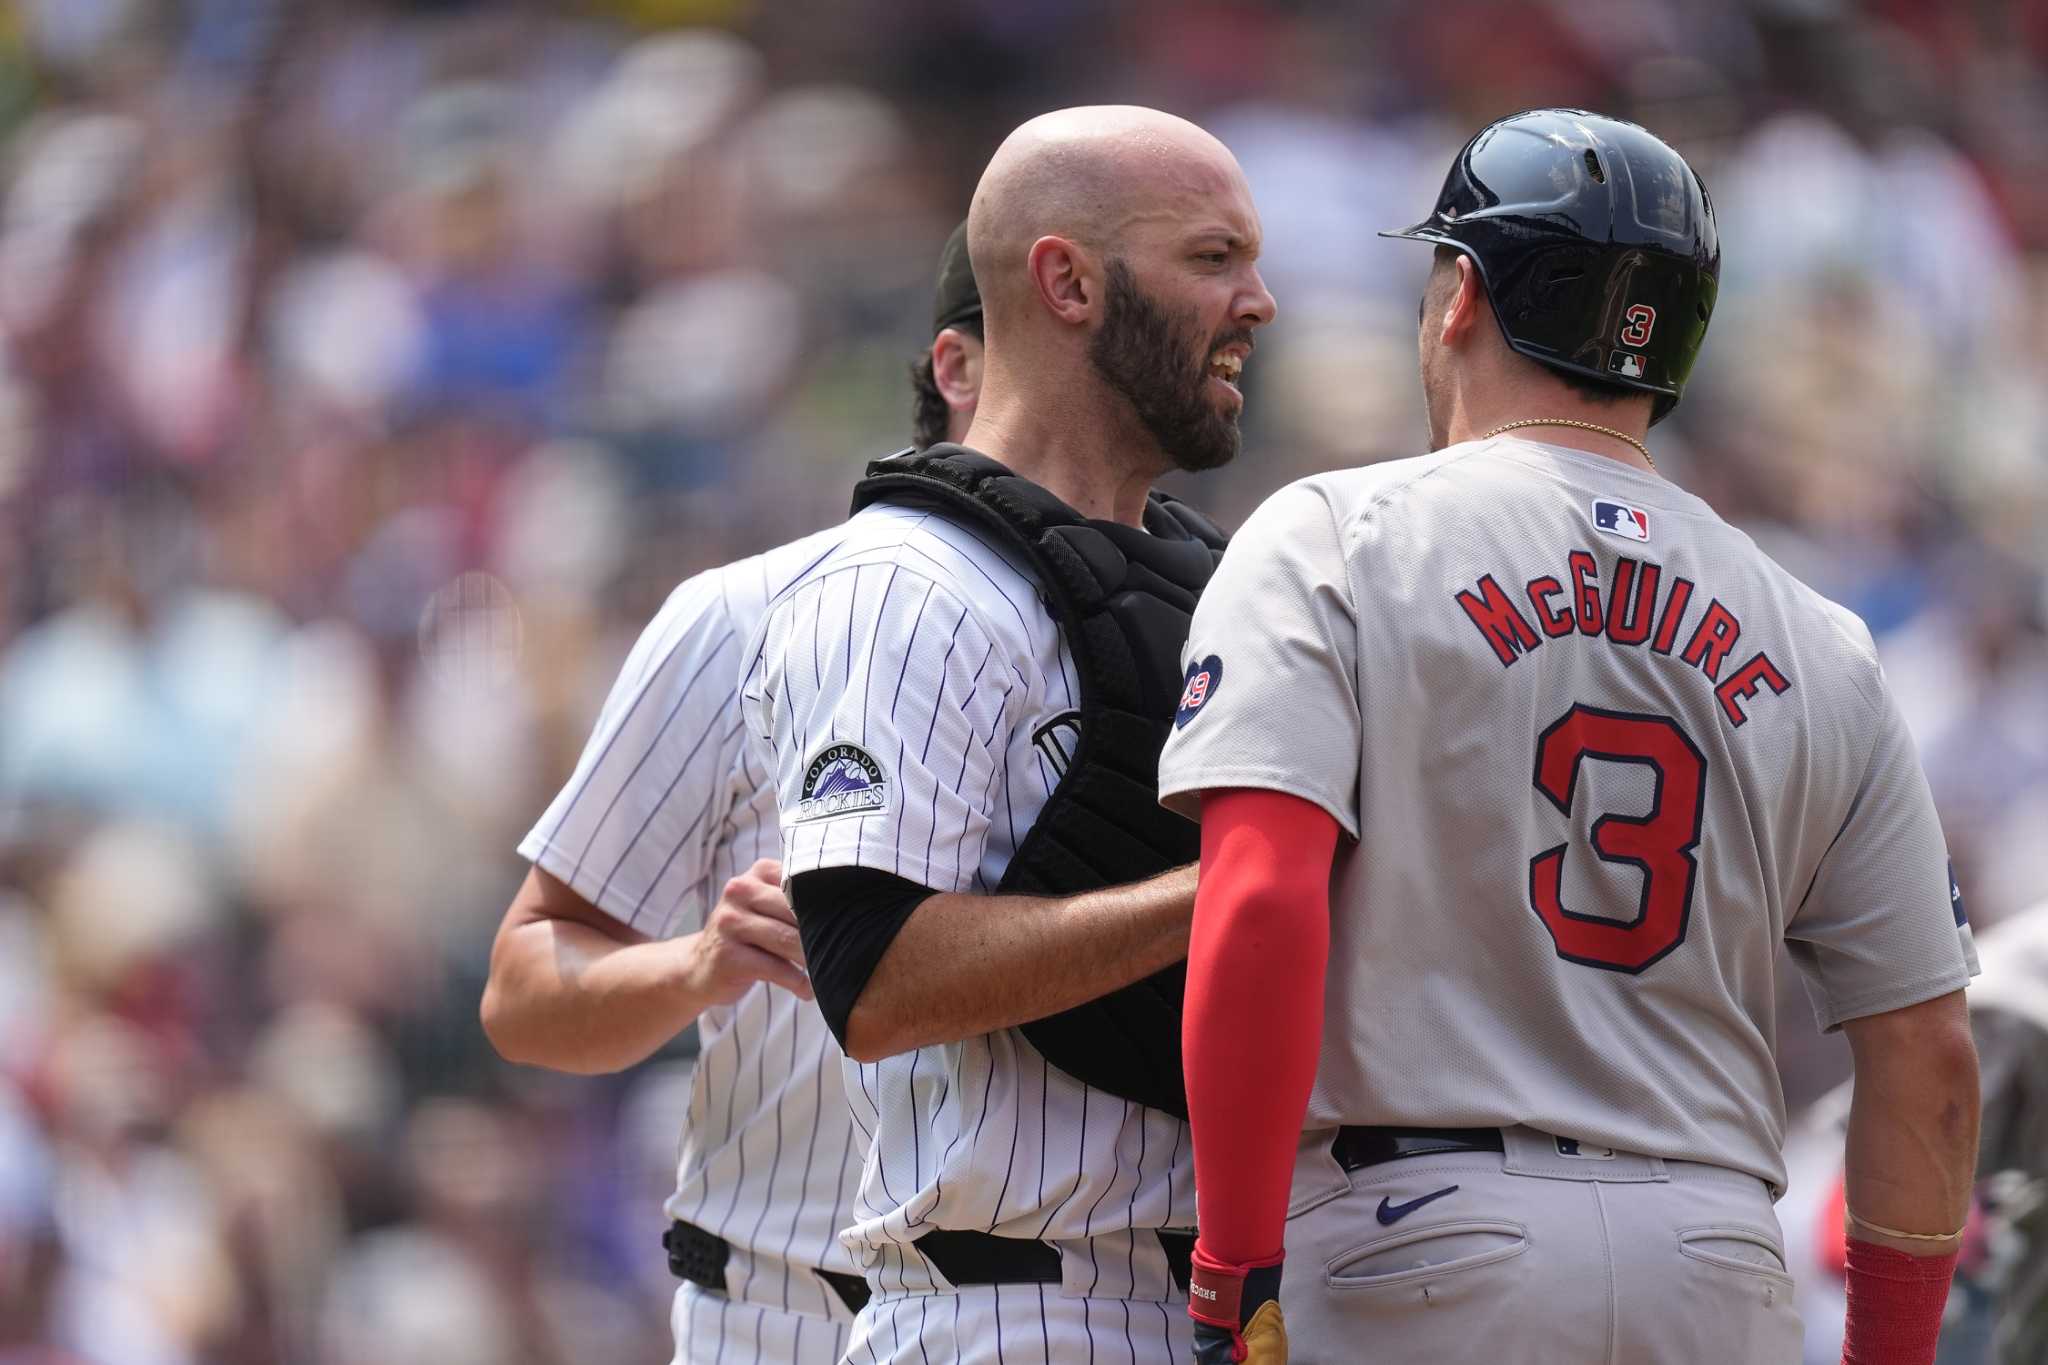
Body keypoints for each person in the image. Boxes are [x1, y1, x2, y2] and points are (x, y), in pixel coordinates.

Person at [1156, 108, 1981, 1365]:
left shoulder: (1336, 532)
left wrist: (1229, 1277)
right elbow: (1927, 1055)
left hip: (1417, 1244)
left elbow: (1261, 902)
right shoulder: (1821, 634)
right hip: (1716, 1260)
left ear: (1460, 297)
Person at [740, 105, 1276, 1362]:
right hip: (1009, 1302)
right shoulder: (907, 582)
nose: (1256, 303)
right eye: (1212, 259)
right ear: (1067, 281)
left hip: (1218, 1303)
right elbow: (873, 978)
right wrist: (1238, 889)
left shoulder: (1227, 587)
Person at [479, 223, 985, 1365]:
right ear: (958, 369)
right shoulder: (740, 619)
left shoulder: (1185, 627)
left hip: (1088, 1312)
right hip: (782, 1310)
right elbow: (523, 986)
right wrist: (699, 968)